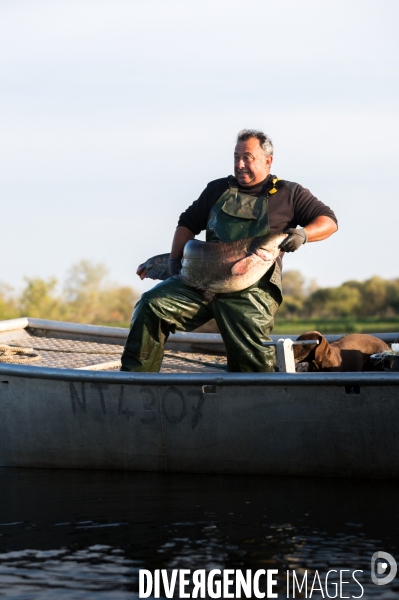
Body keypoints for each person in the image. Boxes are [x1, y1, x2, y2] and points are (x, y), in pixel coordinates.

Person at [121, 129, 338, 372]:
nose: (240, 164)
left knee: (253, 362)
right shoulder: (217, 190)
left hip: (252, 291)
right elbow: (187, 223)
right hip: (202, 282)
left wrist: (303, 234)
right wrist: (174, 264)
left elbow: (329, 221)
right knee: (151, 304)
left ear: (268, 161)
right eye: (236, 157)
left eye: (248, 157)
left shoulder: (290, 193)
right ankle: (136, 380)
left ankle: (257, 394)